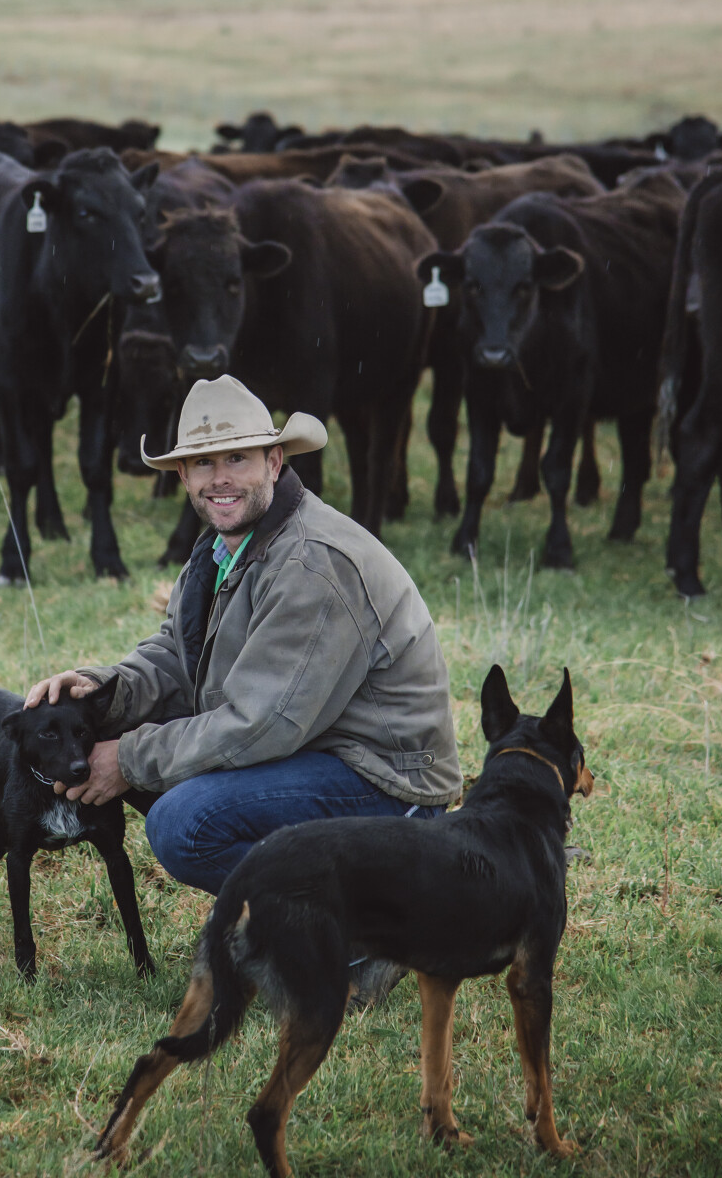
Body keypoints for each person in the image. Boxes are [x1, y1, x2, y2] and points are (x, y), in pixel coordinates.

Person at [26, 374, 462, 904]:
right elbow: (177, 654)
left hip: (386, 782)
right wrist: (100, 690)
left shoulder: (311, 564)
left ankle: (348, 927)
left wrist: (130, 759)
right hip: (317, 750)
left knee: (183, 822)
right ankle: (294, 907)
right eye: (203, 463)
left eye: (238, 459)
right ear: (183, 476)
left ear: (274, 463)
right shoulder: (222, 546)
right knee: (111, 729)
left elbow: (264, 724)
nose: (220, 479)